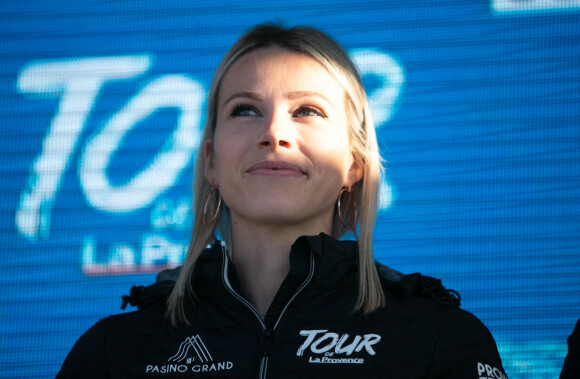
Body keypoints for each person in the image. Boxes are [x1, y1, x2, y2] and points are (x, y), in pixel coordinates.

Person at [57, 24, 508, 378]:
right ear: (211, 162)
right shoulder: (114, 351)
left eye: (307, 111)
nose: (274, 133)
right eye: (245, 110)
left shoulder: (437, 338)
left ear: (355, 162)